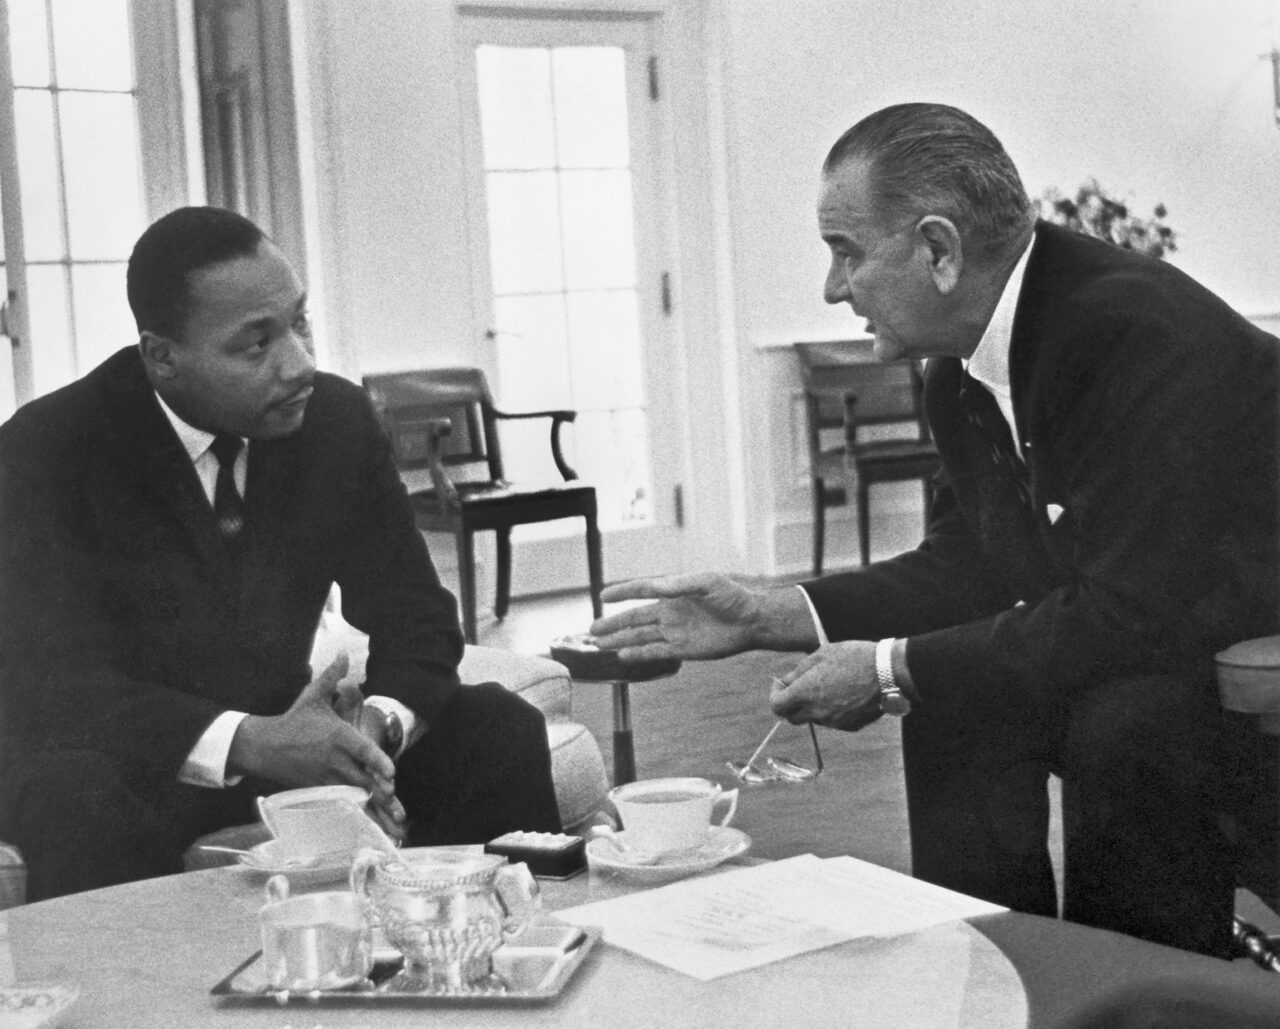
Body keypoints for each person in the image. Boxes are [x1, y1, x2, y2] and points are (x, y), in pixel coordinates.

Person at [591, 103, 1280, 957]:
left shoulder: (1130, 333)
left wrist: (887, 667)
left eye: (846, 252)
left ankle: (1138, 997)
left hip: (1241, 648)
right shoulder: (959, 372)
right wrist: (770, 613)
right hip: (1165, 623)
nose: (833, 289)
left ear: (939, 250)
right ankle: (984, 970)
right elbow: (974, 564)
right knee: (955, 700)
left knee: (1119, 723)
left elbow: (1133, 611)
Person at [0, 206, 562, 901]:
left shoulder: (335, 421)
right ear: (162, 356)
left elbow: (416, 613)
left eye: (299, 322)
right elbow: (56, 687)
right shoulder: (48, 450)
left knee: (495, 725)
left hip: (292, 748)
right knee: (74, 794)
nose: (299, 363)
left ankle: (504, 959)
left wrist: (372, 731)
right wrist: (250, 741)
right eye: (255, 345)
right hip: (129, 756)